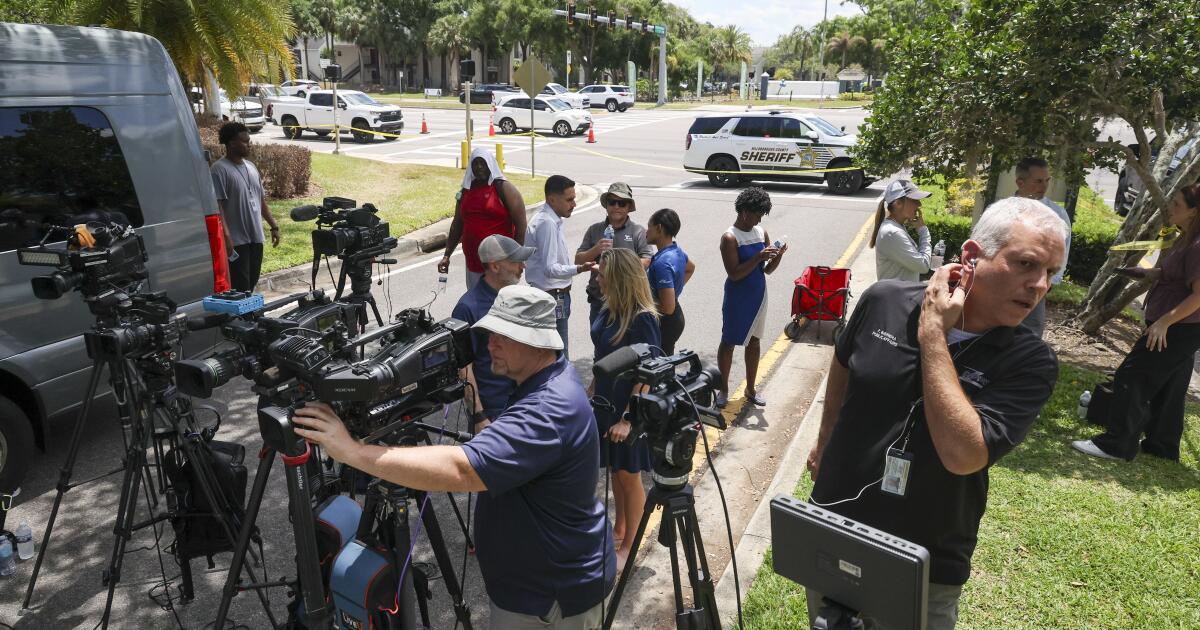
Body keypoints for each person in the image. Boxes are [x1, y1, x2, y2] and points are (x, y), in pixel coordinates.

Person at [805, 197, 1067, 630]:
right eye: (1025, 264)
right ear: (971, 256)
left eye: (1050, 274)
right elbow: (843, 361)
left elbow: (963, 455)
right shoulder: (884, 300)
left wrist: (933, 335)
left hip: (925, 556)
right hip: (839, 523)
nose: (1039, 285)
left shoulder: (1029, 361)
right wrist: (825, 436)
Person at [292, 285, 614, 629]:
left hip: (549, 599)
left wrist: (352, 451)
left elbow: (462, 470)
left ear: (537, 342)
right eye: (490, 334)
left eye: (502, 337)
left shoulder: (548, 408)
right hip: (544, 585)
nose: (490, 345)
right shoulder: (543, 380)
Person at [1073, 183, 1200, 462]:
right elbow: (1176, 274)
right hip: (1182, 326)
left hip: (1179, 326)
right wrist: (1148, 274)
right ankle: (1162, 446)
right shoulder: (1187, 237)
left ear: (1194, 212)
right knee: (1172, 383)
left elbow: (1198, 296)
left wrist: (1164, 323)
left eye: (1177, 204)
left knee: (1132, 374)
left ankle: (1116, 444)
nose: (1170, 207)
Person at [589, 248, 661, 569]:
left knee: (630, 477)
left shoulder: (643, 317)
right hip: (606, 405)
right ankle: (620, 528)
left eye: (602, 273)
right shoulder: (609, 310)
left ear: (617, 277)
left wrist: (629, 419)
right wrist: (590, 389)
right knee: (616, 472)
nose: (597, 277)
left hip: (628, 411)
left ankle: (631, 546)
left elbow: (648, 373)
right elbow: (601, 356)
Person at [452, 234, 535, 431]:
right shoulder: (467, 308)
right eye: (516, 262)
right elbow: (464, 369)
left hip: (524, 401)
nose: (523, 267)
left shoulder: (516, 297)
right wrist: (479, 416)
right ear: (495, 266)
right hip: (494, 411)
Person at [717, 187, 786, 408]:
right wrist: (758, 257)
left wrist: (778, 256)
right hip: (738, 297)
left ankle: (751, 388)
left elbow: (767, 270)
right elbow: (734, 273)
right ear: (745, 211)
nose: (759, 219)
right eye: (757, 214)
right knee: (728, 342)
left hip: (758, 296)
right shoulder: (730, 237)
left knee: (754, 342)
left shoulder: (761, 232)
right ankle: (723, 388)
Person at [525, 175, 599, 359]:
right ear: (552, 199)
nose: (573, 203)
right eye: (569, 199)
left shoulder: (551, 219)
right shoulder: (547, 223)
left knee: (553, 351)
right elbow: (550, 268)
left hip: (555, 295)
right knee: (559, 353)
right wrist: (579, 268)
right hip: (552, 296)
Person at [439, 148, 527, 289]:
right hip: (473, 263)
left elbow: (521, 225)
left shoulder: (504, 188)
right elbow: (457, 225)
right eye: (475, 163)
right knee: (476, 304)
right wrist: (446, 256)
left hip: (501, 264)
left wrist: (515, 258)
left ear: (490, 164)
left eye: (483, 163)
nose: (479, 167)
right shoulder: (465, 192)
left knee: (500, 305)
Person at [211, 121, 281, 291]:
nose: (249, 145)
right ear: (232, 143)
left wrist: (274, 226)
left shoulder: (251, 167)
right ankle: (243, 318)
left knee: (252, 282)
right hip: (236, 242)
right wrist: (226, 237)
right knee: (240, 287)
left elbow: (261, 200)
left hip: (255, 237)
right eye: (245, 141)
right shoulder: (219, 170)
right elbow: (217, 206)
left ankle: (252, 317)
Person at [576, 182, 655, 323]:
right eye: (612, 202)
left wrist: (617, 269)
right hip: (598, 300)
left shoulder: (638, 231)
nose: (616, 207)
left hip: (628, 301)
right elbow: (578, 260)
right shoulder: (594, 230)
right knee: (600, 342)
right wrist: (596, 249)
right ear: (606, 205)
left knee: (626, 343)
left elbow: (647, 261)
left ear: (629, 207)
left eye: (622, 203)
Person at [1012, 157, 1072, 337]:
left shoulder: (1057, 214)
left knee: (1030, 335)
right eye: (1038, 181)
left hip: (1037, 287)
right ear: (1020, 182)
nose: (1044, 186)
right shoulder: (1002, 210)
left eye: (1047, 180)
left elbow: (1064, 250)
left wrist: (1050, 281)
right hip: (1003, 282)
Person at [646, 208, 696, 355]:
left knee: (659, 368)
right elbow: (690, 268)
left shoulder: (663, 262)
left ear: (659, 228)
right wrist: (674, 291)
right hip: (674, 318)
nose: (646, 232)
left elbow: (668, 308)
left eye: (649, 227)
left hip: (666, 322)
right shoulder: (676, 251)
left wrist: (640, 302)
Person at [869, 179, 933, 282]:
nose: (919, 204)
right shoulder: (892, 233)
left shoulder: (896, 227)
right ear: (898, 203)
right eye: (914, 200)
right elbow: (923, 266)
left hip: (900, 295)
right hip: (896, 297)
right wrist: (923, 230)